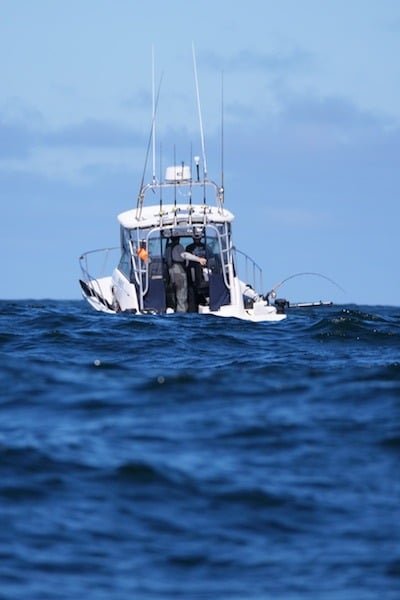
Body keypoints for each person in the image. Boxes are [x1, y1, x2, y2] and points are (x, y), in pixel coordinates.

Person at [166, 236, 206, 313]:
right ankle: (181, 314)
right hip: (179, 271)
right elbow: (184, 255)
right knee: (182, 295)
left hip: (169, 271)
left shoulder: (168, 247)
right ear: (178, 239)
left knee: (172, 295)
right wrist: (199, 259)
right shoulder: (179, 246)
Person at [185, 231, 213, 311]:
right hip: (192, 272)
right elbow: (186, 260)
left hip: (205, 273)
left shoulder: (206, 247)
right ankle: (193, 309)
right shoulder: (189, 248)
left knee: (206, 289)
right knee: (192, 291)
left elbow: (211, 258)